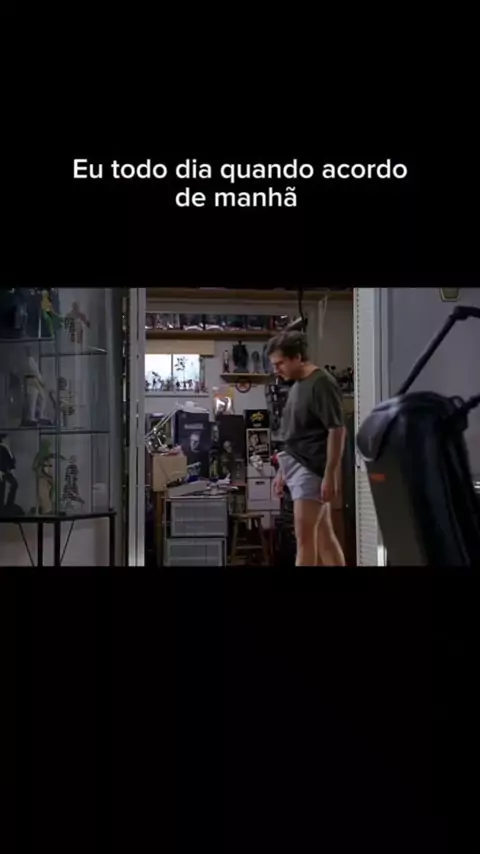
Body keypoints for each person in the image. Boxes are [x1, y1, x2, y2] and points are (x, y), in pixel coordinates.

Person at [267, 331, 346, 567]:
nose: (276, 369)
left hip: (311, 469)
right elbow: (295, 436)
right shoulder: (298, 384)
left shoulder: (321, 383)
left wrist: (330, 474)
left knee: (304, 541)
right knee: (324, 537)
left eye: (280, 363)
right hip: (296, 465)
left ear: (297, 357)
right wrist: (282, 472)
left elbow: (337, 429)